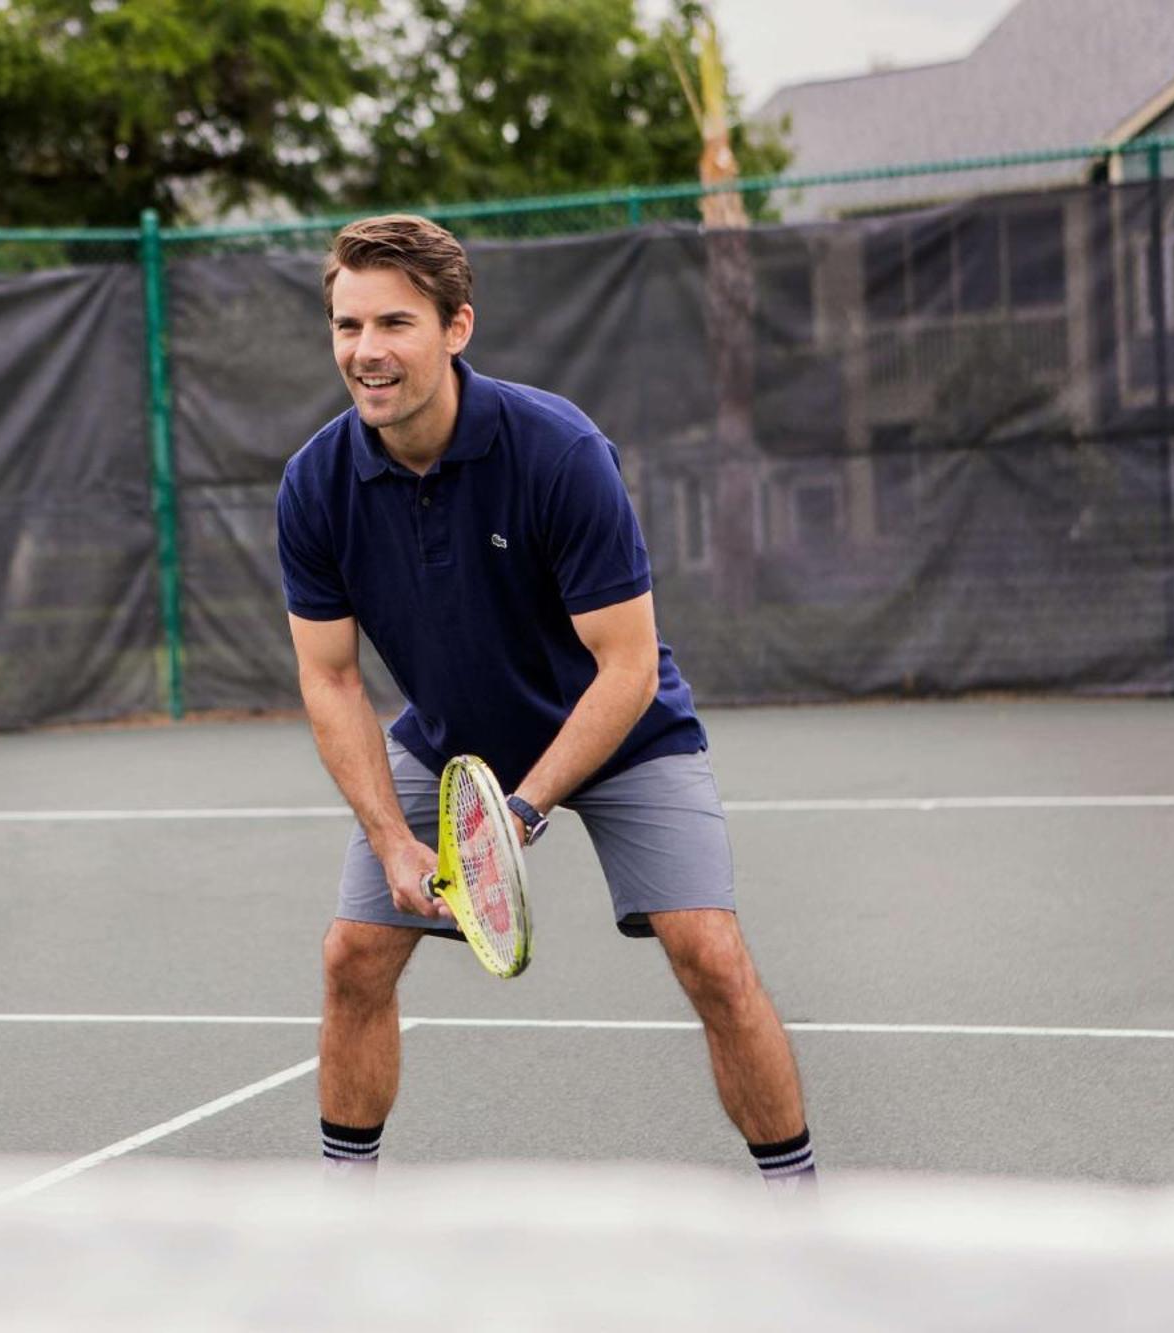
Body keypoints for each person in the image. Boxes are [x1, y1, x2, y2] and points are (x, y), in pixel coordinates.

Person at [276, 215, 815, 1190]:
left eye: (393, 323)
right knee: (352, 955)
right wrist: (395, 841)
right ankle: (338, 1212)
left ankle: (794, 1199)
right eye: (346, 325)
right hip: (444, 741)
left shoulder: (557, 450)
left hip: (623, 735)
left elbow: (627, 665)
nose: (365, 351)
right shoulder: (315, 483)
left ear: (455, 328)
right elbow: (330, 677)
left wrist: (519, 810)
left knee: (711, 959)